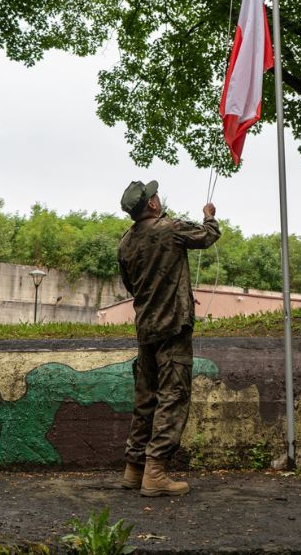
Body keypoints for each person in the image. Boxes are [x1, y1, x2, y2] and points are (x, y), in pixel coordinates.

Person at [116, 180, 220, 497]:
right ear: (151, 204)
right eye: (155, 195)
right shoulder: (170, 228)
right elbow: (208, 236)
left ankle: (133, 471)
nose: (158, 198)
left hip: (145, 328)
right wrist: (209, 215)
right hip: (173, 327)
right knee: (172, 396)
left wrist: (177, 295)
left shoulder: (125, 244)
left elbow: (135, 287)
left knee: (145, 398)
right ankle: (156, 472)